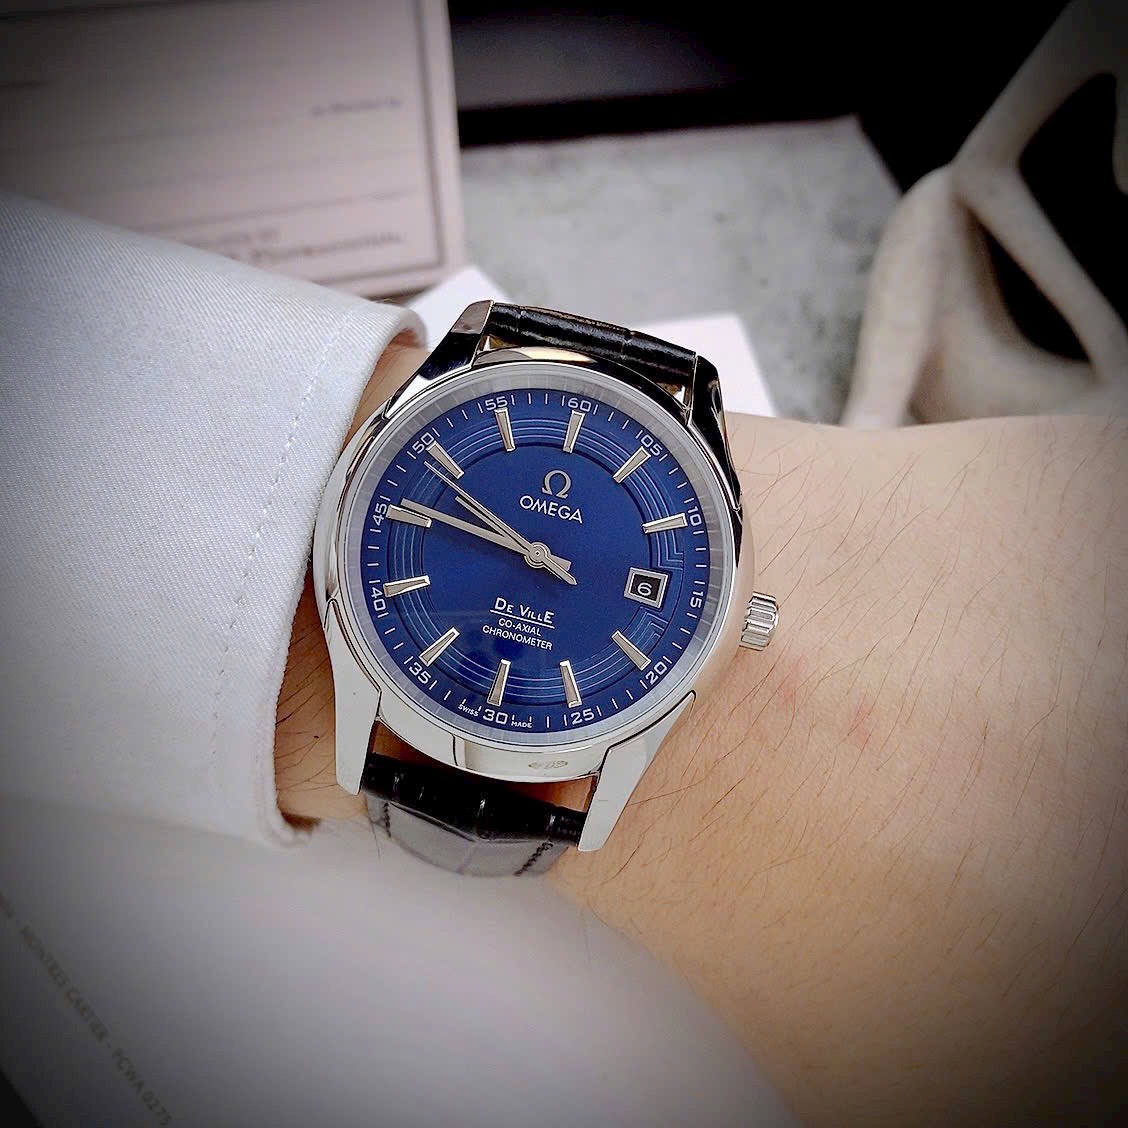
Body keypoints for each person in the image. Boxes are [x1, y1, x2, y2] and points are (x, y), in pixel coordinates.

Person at [4, 192, 1126, 1125]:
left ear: (739, 616)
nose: (544, 558)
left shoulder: (692, 626)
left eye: (551, 557)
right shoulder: (409, 514)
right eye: (537, 551)